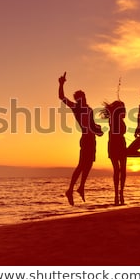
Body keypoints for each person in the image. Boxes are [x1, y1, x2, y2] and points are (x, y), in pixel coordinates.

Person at [58, 72, 103, 206]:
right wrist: (61, 84)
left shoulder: (89, 109)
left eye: (83, 97)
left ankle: (81, 187)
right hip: (85, 139)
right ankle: (70, 190)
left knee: (89, 165)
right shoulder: (76, 108)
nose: (83, 100)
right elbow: (61, 97)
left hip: (92, 139)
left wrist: (98, 130)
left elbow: (92, 125)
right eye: (80, 99)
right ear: (78, 100)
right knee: (81, 165)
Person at [101, 100, 127, 205]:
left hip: (116, 144)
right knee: (119, 170)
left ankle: (119, 194)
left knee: (119, 170)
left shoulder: (117, 118)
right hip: (116, 144)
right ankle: (118, 194)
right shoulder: (114, 118)